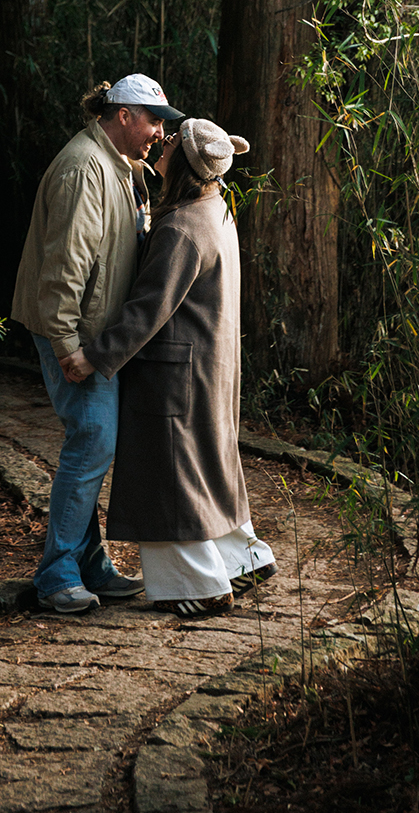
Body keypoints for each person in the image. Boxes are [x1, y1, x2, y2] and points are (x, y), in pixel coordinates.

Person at [62, 117, 277, 618]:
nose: (163, 140)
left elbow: (147, 309)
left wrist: (93, 355)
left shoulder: (181, 228)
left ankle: (198, 583)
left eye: (173, 140)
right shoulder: (214, 209)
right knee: (207, 464)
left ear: (182, 160)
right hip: (206, 362)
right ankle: (241, 558)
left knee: (172, 476)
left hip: (174, 372)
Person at [10, 72, 182, 614]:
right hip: (74, 332)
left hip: (97, 333)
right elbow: (64, 266)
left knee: (95, 441)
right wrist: (65, 345)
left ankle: (90, 565)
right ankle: (57, 572)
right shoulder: (85, 169)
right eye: (154, 120)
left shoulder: (123, 167)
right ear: (123, 115)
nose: (160, 131)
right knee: (93, 440)